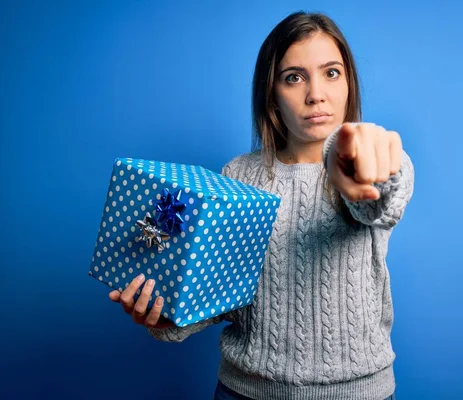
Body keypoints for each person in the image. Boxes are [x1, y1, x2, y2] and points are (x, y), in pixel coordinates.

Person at [108, 11, 415, 400]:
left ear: (350, 83)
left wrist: (367, 167)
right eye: (294, 77)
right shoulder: (237, 176)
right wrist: (165, 315)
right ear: (273, 94)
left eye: (331, 73)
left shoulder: (372, 159)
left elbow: (384, 196)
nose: (316, 94)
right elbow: (220, 293)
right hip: (244, 392)